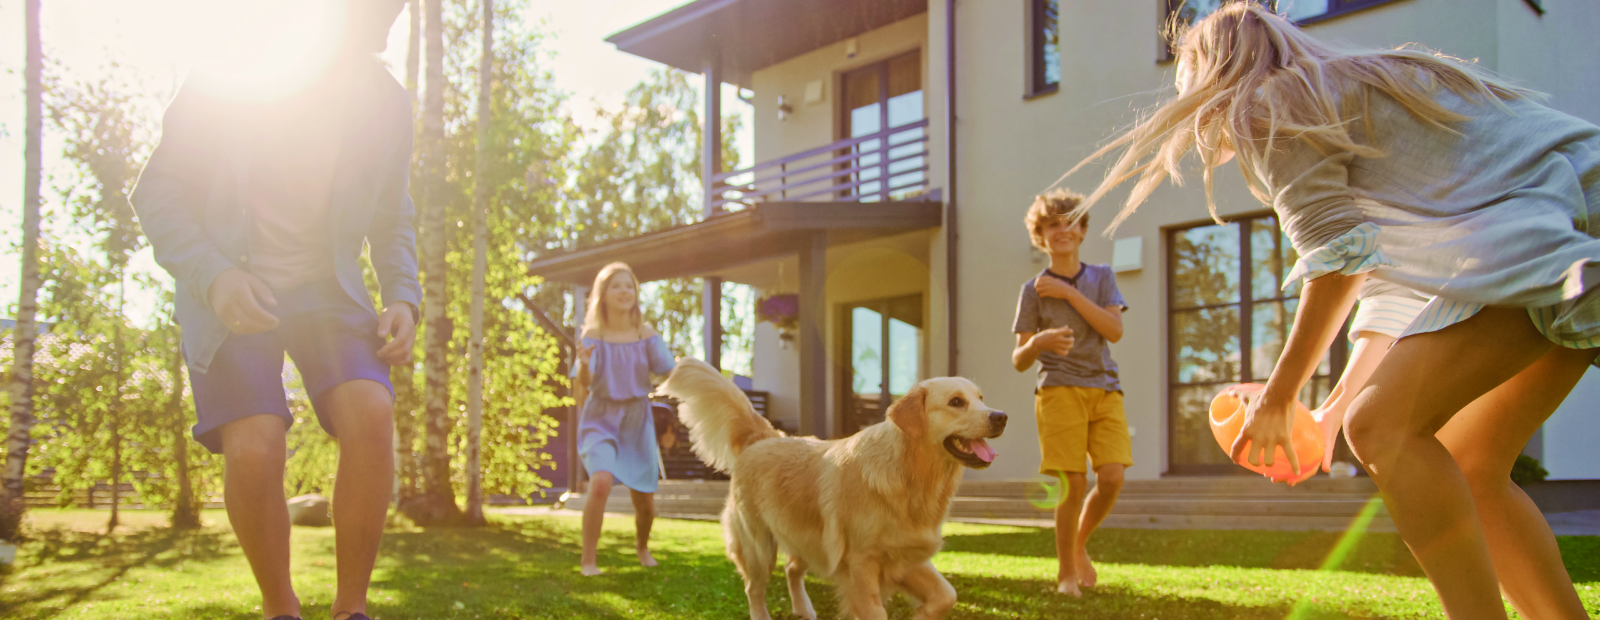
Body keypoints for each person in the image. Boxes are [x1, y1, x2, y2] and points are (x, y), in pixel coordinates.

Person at [1065, 4, 1599, 617]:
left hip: (1551, 227)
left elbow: (1338, 261)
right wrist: (1330, 413)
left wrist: (1279, 397)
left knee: (1382, 428)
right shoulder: (1356, 87)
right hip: (1569, 219)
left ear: (1206, 77)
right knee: (1468, 461)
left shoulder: (1270, 104)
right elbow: (1382, 287)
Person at [129, 2, 416, 619]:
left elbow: (393, 218)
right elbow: (156, 189)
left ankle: (351, 610)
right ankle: (280, 607)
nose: (387, 19)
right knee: (256, 444)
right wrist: (215, 275)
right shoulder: (235, 68)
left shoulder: (386, 104)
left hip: (327, 289)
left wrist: (402, 296)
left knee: (371, 411)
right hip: (230, 283)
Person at [1010, 190, 1131, 596]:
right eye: (1052, 225)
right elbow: (1019, 360)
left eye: (1070, 223)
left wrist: (1069, 295)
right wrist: (1039, 341)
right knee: (1073, 484)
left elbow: (1114, 330)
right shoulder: (1032, 290)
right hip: (1058, 389)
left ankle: (1078, 546)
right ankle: (1065, 576)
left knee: (1112, 477)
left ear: (1082, 231)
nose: (1062, 230)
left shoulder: (1102, 277)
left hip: (1104, 387)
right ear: (1040, 237)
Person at [574, 262, 677, 576]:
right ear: (603, 295)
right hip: (600, 418)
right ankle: (588, 561)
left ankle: (642, 547)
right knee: (601, 483)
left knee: (644, 504)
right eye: (616, 286)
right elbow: (585, 384)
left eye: (629, 286)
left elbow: (670, 371)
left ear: (636, 294)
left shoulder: (644, 334)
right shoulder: (593, 334)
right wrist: (584, 363)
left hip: (637, 421)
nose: (624, 291)